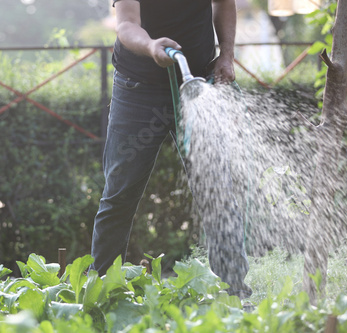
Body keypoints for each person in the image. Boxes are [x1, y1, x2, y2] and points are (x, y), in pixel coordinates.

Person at [89, 0, 252, 299]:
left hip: (197, 82)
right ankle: (100, 293)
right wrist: (151, 46)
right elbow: (125, 25)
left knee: (217, 189)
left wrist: (226, 56)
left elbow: (224, 3)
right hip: (137, 88)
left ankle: (235, 294)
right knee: (119, 194)